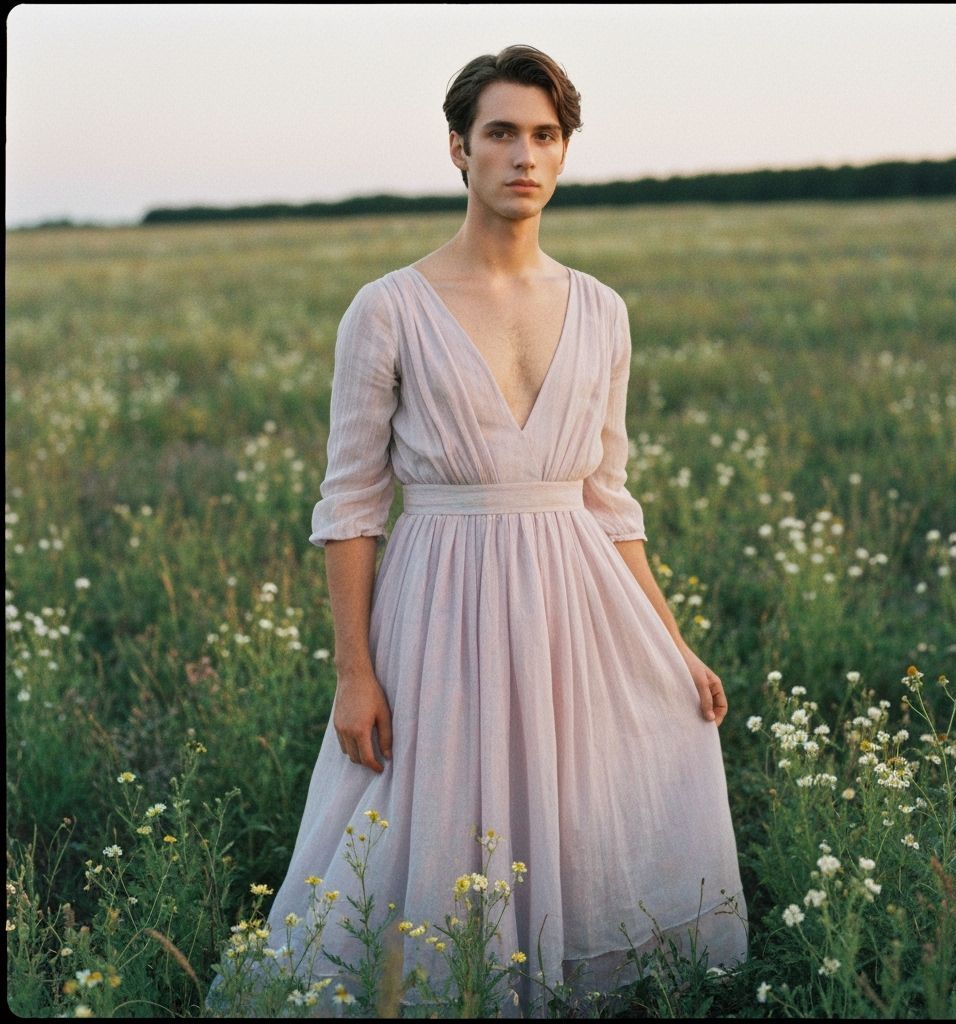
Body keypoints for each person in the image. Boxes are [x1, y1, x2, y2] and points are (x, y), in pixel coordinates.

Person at [244, 44, 748, 1016]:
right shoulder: (387, 308)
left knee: (579, 805)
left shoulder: (601, 310)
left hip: (578, 605)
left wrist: (674, 644)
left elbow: (609, 499)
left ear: (564, 154)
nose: (524, 154)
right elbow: (349, 506)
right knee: (430, 819)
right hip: (442, 601)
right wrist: (354, 671)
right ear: (458, 149)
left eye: (545, 135)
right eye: (502, 133)